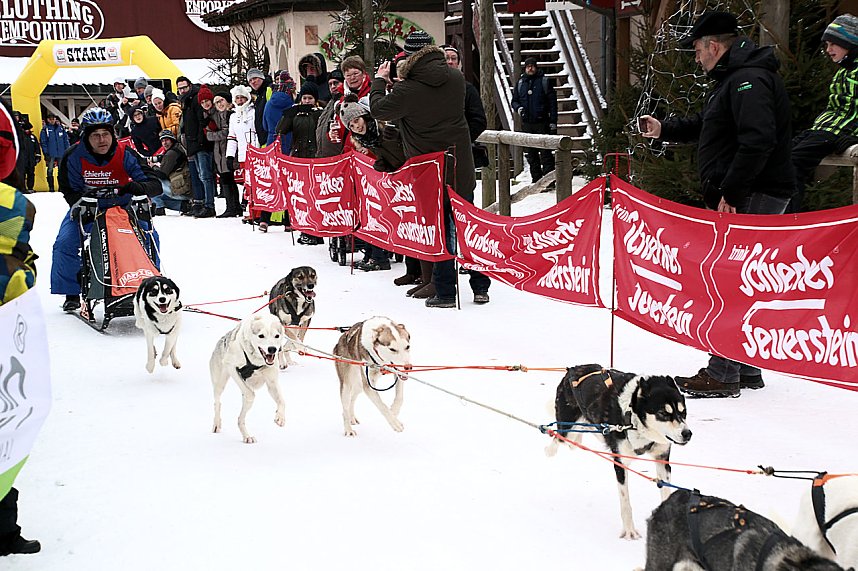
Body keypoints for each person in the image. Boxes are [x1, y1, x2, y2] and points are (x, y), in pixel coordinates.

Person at [639, 11, 796, 398]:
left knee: (729, 281)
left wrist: (733, 192)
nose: (696, 58)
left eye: (697, 50)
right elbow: (710, 125)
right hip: (749, 191)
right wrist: (665, 128)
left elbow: (758, 141)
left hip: (753, 193)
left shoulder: (747, 80)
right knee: (741, 279)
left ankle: (723, 373)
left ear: (713, 46)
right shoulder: (733, 79)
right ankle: (745, 366)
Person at [371, 30, 491, 308]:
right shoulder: (456, 79)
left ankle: (446, 292)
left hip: (429, 169)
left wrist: (379, 80)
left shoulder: (408, 90)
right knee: (466, 227)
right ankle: (480, 286)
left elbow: (379, 110)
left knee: (440, 230)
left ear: (409, 58)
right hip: (459, 164)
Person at [50, 107, 162, 312]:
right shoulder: (73, 155)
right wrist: (80, 202)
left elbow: (154, 184)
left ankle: (151, 285)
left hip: (122, 207)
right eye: (95, 135)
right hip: (87, 207)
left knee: (150, 237)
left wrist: (134, 187)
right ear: (86, 137)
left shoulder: (125, 153)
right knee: (64, 243)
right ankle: (71, 292)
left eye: (106, 134)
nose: (102, 140)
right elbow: (68, 189)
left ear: (113, 134)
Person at [0, 100, 40, 558]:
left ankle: (4, 530)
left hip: (8, 321)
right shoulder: (16, 204)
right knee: (7, 426)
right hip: (9, 322)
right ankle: (3, 530)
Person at [789, 14, 858, 212]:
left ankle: (789, 216)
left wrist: (854, 135)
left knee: (794, 162)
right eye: (827, 45)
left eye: (833, 44)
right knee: (782, 154)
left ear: (849, 44)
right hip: (824, 128)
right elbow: (835, 107)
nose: (828, 50)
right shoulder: (842, 72)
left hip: (839, 131)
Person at [339, 95, 407, 268]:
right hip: (388, 180)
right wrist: (384, 164)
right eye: (351, 125)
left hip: (408, 175)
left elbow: (403, 148)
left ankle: (382, 257)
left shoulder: (383, 128)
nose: (356, 126)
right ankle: (374, 254)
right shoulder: (364, 138)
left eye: (357, 120)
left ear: (365, 116)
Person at [511, 57, 557, 183]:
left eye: (532, 66)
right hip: (527, 123)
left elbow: (553, 103)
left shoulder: (544, 82)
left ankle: (549, 181)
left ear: (536, 67)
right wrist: (519, 109)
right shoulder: (521, 83)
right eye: (528, 66)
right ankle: (536, 180)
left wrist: (553, 122)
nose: (530, 68)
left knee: (546, 153)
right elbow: (514, 101)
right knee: (531, 154)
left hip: (542, 122)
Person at [176, 76, 216, 218]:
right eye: (180, 88)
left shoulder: (196, 99)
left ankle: (209, 205)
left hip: (201, 144)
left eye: (184, 87)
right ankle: (201, 203)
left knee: (205, 176)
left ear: (190, 86)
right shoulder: (186, 100)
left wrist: (200, 141)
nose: (182, 90)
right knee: (199, 175)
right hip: (192, 143)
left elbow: (201, 122)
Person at [225, 86, 258, 225]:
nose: (240, 100)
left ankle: (258, 212)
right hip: (243, 155)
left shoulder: (254, 112)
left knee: (256, 184)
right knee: (247, 185)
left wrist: (257, 150)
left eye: (242, 98)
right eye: (237, 98)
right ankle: (251, 211)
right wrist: (229, 156)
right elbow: (232, 137)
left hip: (255, 153)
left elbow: (258, 131)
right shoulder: (233, 116)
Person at [207, 91, 242, 218]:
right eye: (217, 102)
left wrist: (214, 135)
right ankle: (233, 206)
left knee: (228, 178)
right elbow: (209, 134)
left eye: (221, 100)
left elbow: (227, 132)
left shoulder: (231, 115)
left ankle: (233, 207)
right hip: (220, 152)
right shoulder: (215, 116)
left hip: (229, 151)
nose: (219, 104)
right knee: (226, 178)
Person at [150, 130, 190, 215]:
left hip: (183, 190)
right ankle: (183, 206)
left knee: (151, 181)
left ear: (172, 140)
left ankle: (159, 207)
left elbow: (162, 175)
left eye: (167, 140)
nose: (165, 143)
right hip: (186, 188)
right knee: (161, 198)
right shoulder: (177, 149)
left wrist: (152, 167)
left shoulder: (171, 154)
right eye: (162, 141)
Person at [263, 70, 296, 147]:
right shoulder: (292, 106)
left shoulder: (268, 104)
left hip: (272, 142)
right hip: (289, 142)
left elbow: (265, 126)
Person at [39, 113, 69, 191]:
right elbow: (43, 142)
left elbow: (65, 140)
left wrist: (67, 151)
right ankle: (51, 187)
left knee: (61, 170)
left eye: (53, 119)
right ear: (48, 120)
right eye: (50, 119)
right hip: (51, 153)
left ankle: (61, 186)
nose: (52, 120)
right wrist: (46, 153)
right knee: (50, 169)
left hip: (61, 152)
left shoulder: (61, 128)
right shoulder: (45, 129)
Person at [247, 68, 273, 147]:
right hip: (263, 141)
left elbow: (273, 114)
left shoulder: (269, 89)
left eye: (255, 78)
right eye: (250, 80)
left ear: (261, 77)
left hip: (271, 139)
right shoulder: (259, 96)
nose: (253, 82)